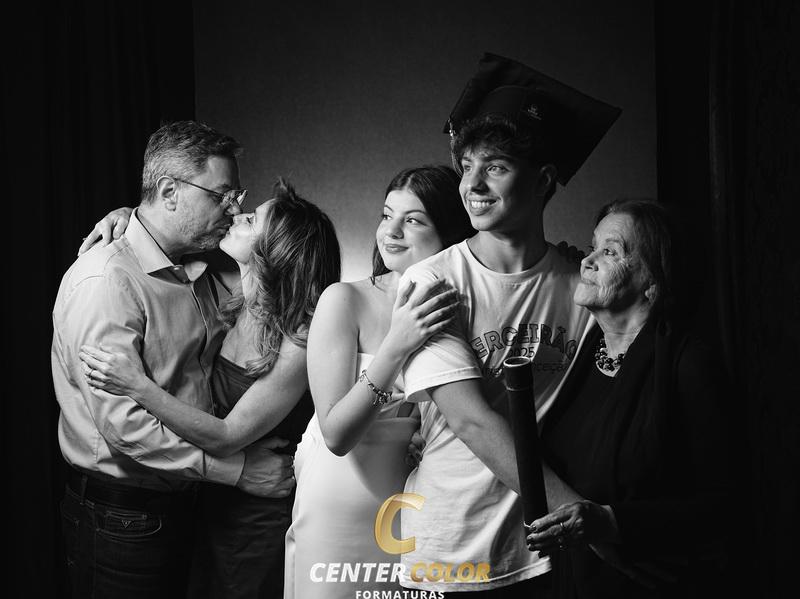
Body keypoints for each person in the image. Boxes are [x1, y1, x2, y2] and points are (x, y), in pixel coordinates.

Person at [396, 53, 621, 597]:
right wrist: (591, 525)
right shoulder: (434, 281)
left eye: (495, 166)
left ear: (543, 180)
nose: (472, 183)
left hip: (546, 554)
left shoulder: (582, 283)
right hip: (454, 547)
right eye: (466, 166)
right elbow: (472, 421)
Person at [52, 120, 296, 599]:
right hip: (122, 520)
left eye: (237, 197)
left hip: (186, 509)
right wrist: (237, 471)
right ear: (169, 192)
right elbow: (123, 425)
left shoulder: (197, 271)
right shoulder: (107, 281)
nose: (233, 209)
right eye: (221, 196)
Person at [79, 177, 341, 598]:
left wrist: (137, 386)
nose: (236, 215)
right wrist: (128, 218)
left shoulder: (299, 337)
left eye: (251, 219)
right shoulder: (229, 296)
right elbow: (161, 239)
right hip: (212, 502)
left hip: (258, 512)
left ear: (276, 250)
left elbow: (227, 436)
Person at [284, 165, 474, 599]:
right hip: (339, 498)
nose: (391, 231)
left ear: (448, 230)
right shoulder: (344, 300)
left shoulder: (463, 309)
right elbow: (336, 434)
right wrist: (397, 345)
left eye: (413, 220)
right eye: (387, 215)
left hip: (416, 506)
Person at [526, 199, 733, 598]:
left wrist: (611, 522)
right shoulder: (579, 355)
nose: (587, 261)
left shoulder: (689, 364)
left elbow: (724, 503)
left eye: (610, 251)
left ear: (653, 282)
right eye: (592, 247)